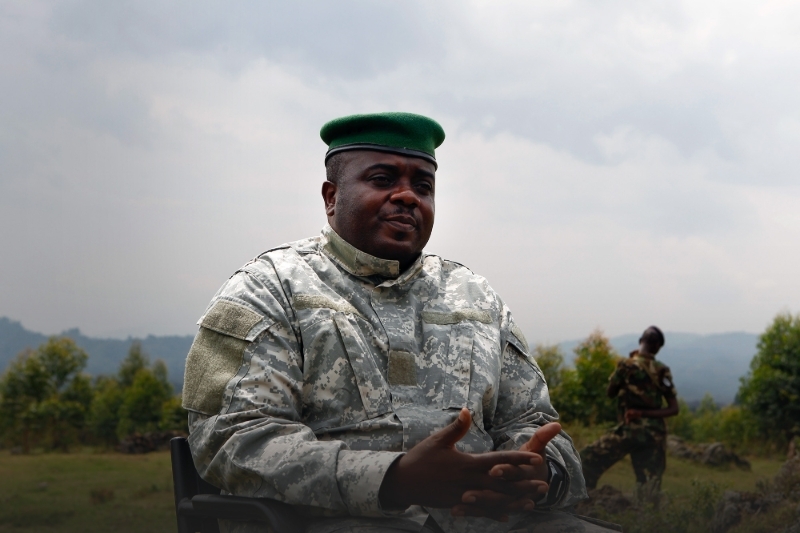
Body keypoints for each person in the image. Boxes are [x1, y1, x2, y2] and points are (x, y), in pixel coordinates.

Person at [182, 112, 618, 532]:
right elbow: (233, 440)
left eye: (423, 186)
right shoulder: (267, 289)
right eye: (382, 180)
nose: (408, 196)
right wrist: (392, 478)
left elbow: (535, 422)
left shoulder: (476, 297)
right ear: (331, 197)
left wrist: (538, 473)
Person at [579, 326, 679, 503]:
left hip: (629, 431)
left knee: (588, 460)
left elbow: (610, 392)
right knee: (649, 488)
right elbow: (673, 409)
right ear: (656, 346)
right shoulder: (662, 369)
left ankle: (582, 504)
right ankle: (648, 522)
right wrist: (645, 412)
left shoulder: (625, 366)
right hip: (654, 436)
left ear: (641, 341)